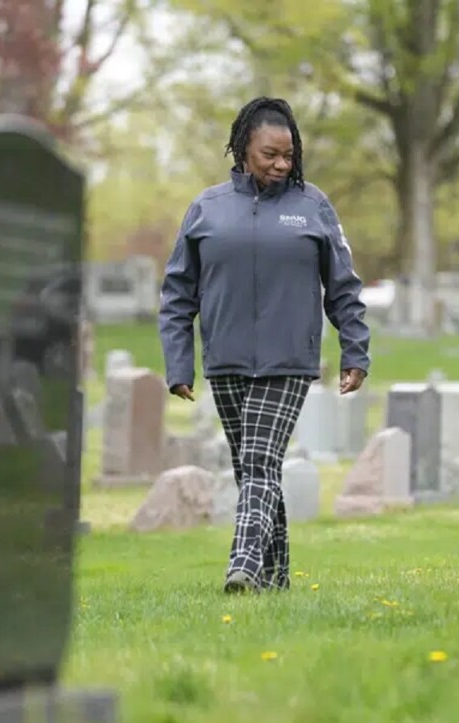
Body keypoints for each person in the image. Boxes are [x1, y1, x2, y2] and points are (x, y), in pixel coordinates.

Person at [158, 97, 371, 593]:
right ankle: (276, 580)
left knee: (257, 462)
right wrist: (178, 364)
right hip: (225, 360)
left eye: (288, 156)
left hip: (289, 359)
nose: (280, 164)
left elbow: (343, 286)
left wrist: (355, 351)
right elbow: (177, 293)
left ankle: (244, 566)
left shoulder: (312, 207)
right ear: (242, 150)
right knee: (256, 468)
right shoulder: (207, 208)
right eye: (269, 154)